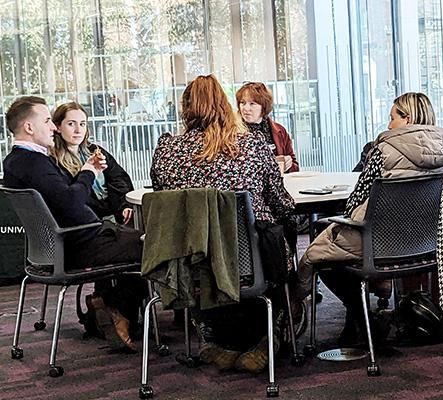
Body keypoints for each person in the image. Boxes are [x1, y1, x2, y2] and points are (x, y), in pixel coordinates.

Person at [150, 75, 297, 373]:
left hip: (195, 264)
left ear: (185, 109)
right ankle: (271, 336)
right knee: (282, 233)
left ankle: (218, 340)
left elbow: (163, 199)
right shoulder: (253, 145)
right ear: (225, 106)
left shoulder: (167, 151)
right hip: (249, 262)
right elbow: (281, 202)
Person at [299, 92, 443, 346]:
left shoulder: (382, 151)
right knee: (335, 250)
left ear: (407, 119)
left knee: (322, 258)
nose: (388, 124)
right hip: (427, 245)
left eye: (392, 117)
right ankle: (364, 324)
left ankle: (365, 322)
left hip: (381, 243)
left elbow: (355, 203)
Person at [2, 96, 145, 352]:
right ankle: (116, 313)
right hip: (79, 244)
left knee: (135, 238)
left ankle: (109, 311)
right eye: (48, 121)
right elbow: (72, 202)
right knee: (154, 246)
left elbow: (110, 184)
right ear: (29, 128)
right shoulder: (35, 163)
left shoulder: (14, 161)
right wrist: (88, 171)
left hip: (65, 243)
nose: (53, 128)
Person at [51, 102, 134, 225]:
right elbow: (73, 200)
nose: (78, 130)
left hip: (116, 214)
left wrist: (125, 206)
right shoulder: (54, 162)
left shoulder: (94, 150)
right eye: (71, 124)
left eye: (82, 124)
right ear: (58, 127)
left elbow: (118, 178)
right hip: (91, 223)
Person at [235, 82, 299, 173]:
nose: (246, 108)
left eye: (252, 103)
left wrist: (289, 164)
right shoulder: (232, 132)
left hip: (279, 184)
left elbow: (295, 167)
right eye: (242, 103)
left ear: (264, 106)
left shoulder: (279, 130)